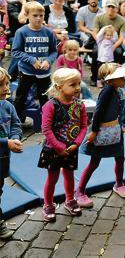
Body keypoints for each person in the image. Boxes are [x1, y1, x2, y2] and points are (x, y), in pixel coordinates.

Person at [76, 64, 125, 208]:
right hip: (103, 131)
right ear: (110, 80)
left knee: (120, 158)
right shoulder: (107, 91)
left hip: (115, 130)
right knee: (94, 162)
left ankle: (119, 184)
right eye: (120, 77)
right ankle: (80, 191)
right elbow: (99, 112)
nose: (124, 79)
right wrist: (94, 131)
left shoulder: (116, 89)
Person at [39, 68, 88, 222]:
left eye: (79, 83)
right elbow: (46, 129)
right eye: (73, 84)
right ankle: (48, 204)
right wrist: (59, 147)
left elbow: (84, 126)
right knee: (52, 178)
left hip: (71, 147)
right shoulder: (50, 105)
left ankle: (70, 199)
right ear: (59, 87)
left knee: (69, 174)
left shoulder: (80, 105)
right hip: (54, 149)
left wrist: (76, 143)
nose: (78, 87)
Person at [11, 1, 58, 121]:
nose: (38, 18)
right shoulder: (21, 32)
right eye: (35, 15)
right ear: (27, 15)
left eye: (41, 15)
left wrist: (48, 60)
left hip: (44, 72)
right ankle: (15, 122)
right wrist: (31, 60)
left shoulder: (49, 32)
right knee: (21, 97)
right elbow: (15, 51)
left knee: (45, 98)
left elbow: (54, 51)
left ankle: (47, 122)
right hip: (26, 71)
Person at [0, 67, 23, 239]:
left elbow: (16, 124)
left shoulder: (8, 106)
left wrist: (15, 137)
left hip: (2, 161)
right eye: (1, 85)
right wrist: (5, 142)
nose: (7, 88)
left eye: (7, 84)